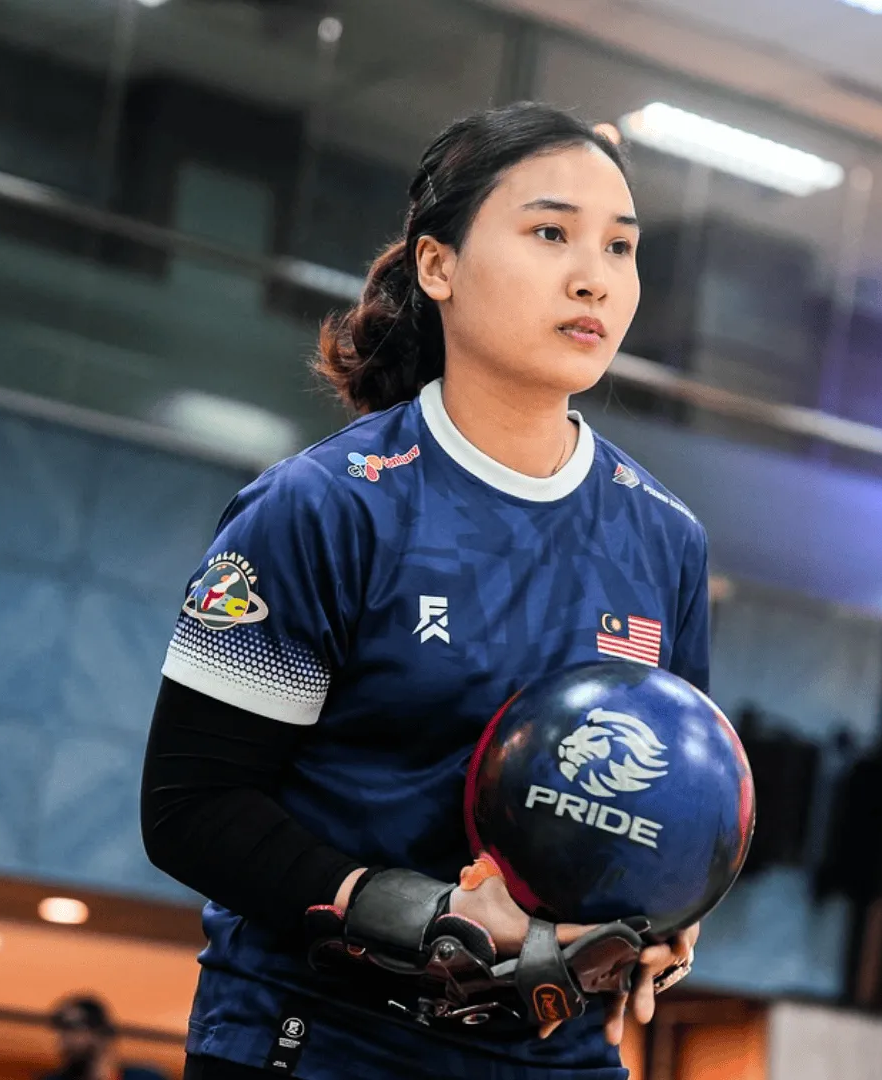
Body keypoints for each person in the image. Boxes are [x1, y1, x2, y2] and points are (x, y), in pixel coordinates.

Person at [141, 101, 709, 1080]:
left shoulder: (666, 540)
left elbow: (678, 800)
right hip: (313, 1041)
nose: (595, 277)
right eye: (549, 233)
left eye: (620, 248)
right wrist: (418, 913)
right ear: (437, 265)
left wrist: (669, 911)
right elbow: (192, 807)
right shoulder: (321, 509)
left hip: (555, 1058)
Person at [42, 997, 166, 1080]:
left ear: (102, 1034)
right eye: (62, 1032)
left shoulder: (145, 1077)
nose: (64, 1041)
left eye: (73, 1030)